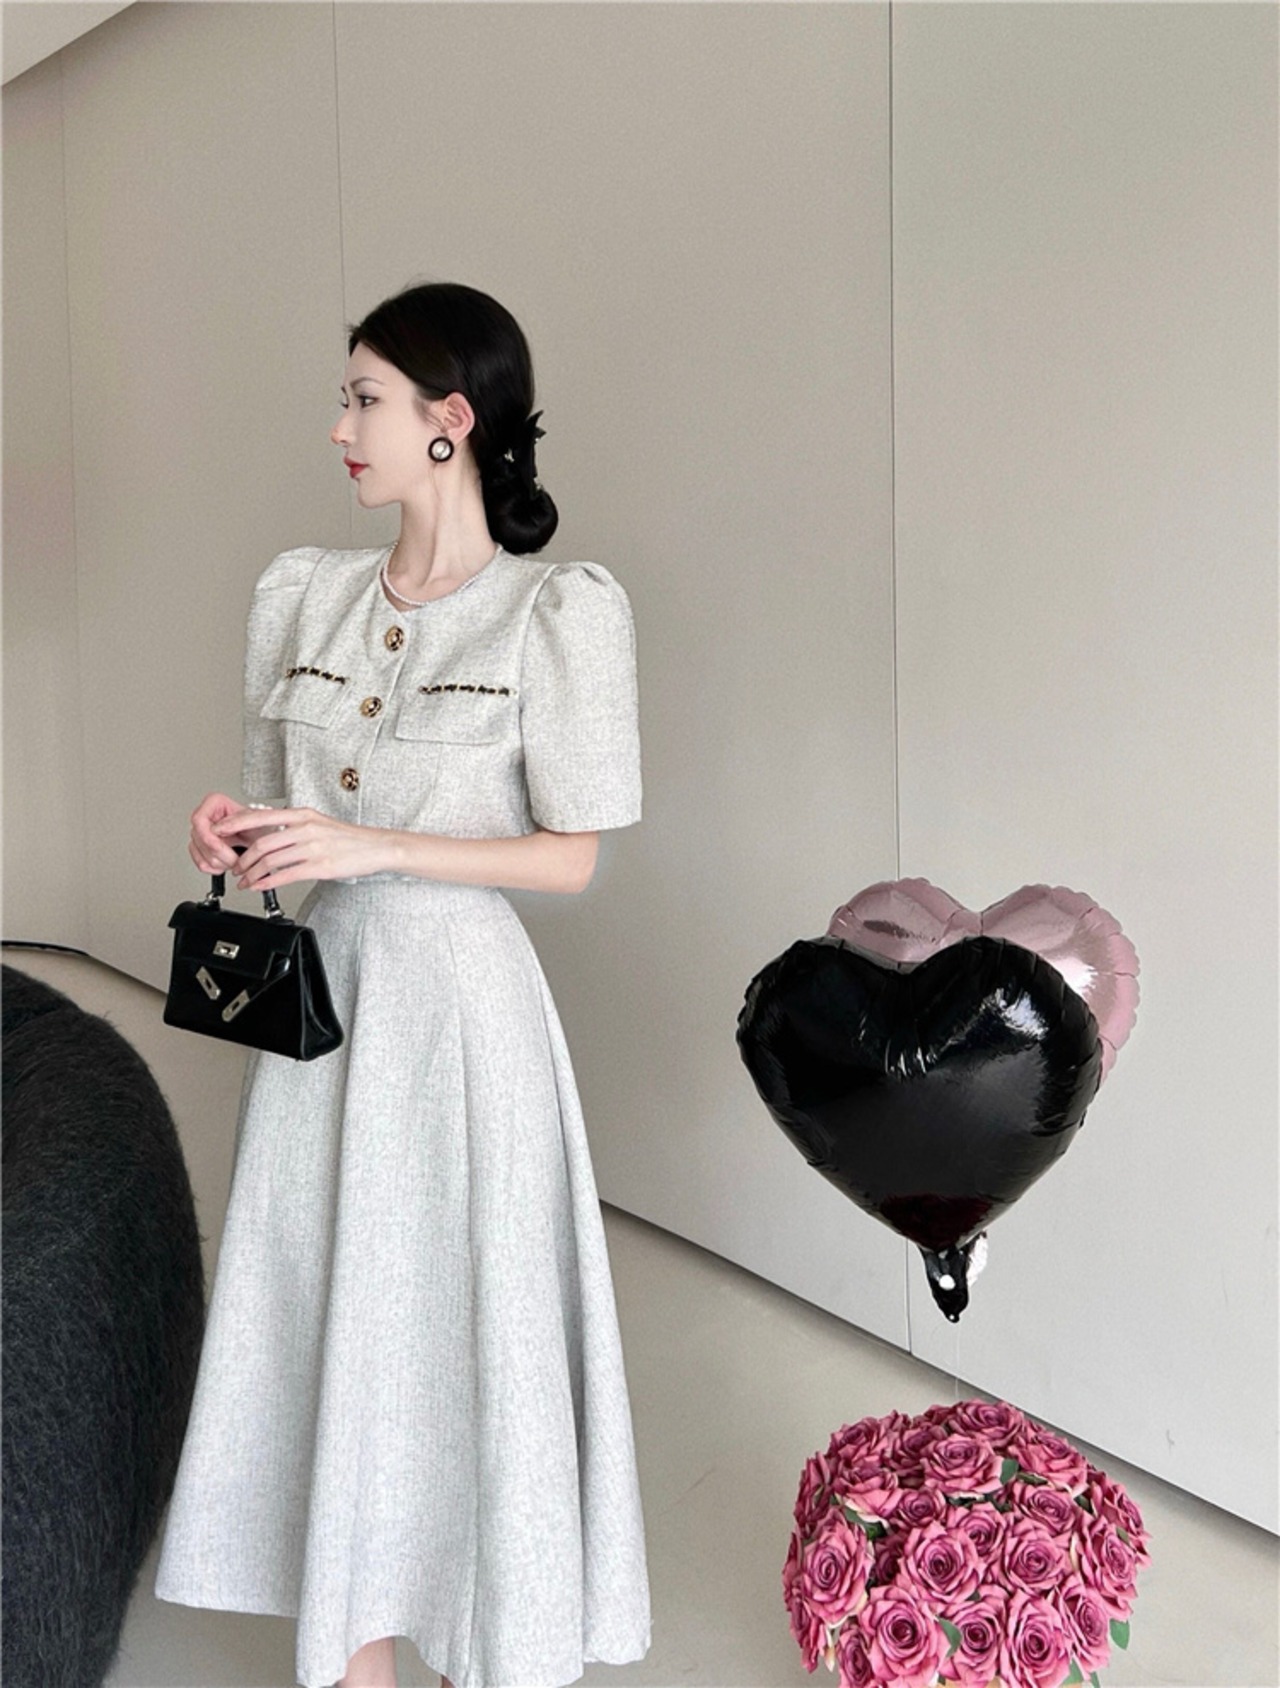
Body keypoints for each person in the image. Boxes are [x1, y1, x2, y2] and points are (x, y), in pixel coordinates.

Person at [153, 281, 652, 1688]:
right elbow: (284, 811)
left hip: (463, 1017)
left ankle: (484, 1626)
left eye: (363, 399)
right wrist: (235, 833)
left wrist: (375, 845)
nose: (340, 429)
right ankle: (354, 1643)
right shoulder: (303, 593)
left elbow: (571, 858)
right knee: (332, 1307)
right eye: (345, 400)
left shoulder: (556, 613)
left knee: (461, 1325)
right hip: (328, 1010)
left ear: (452, 421)